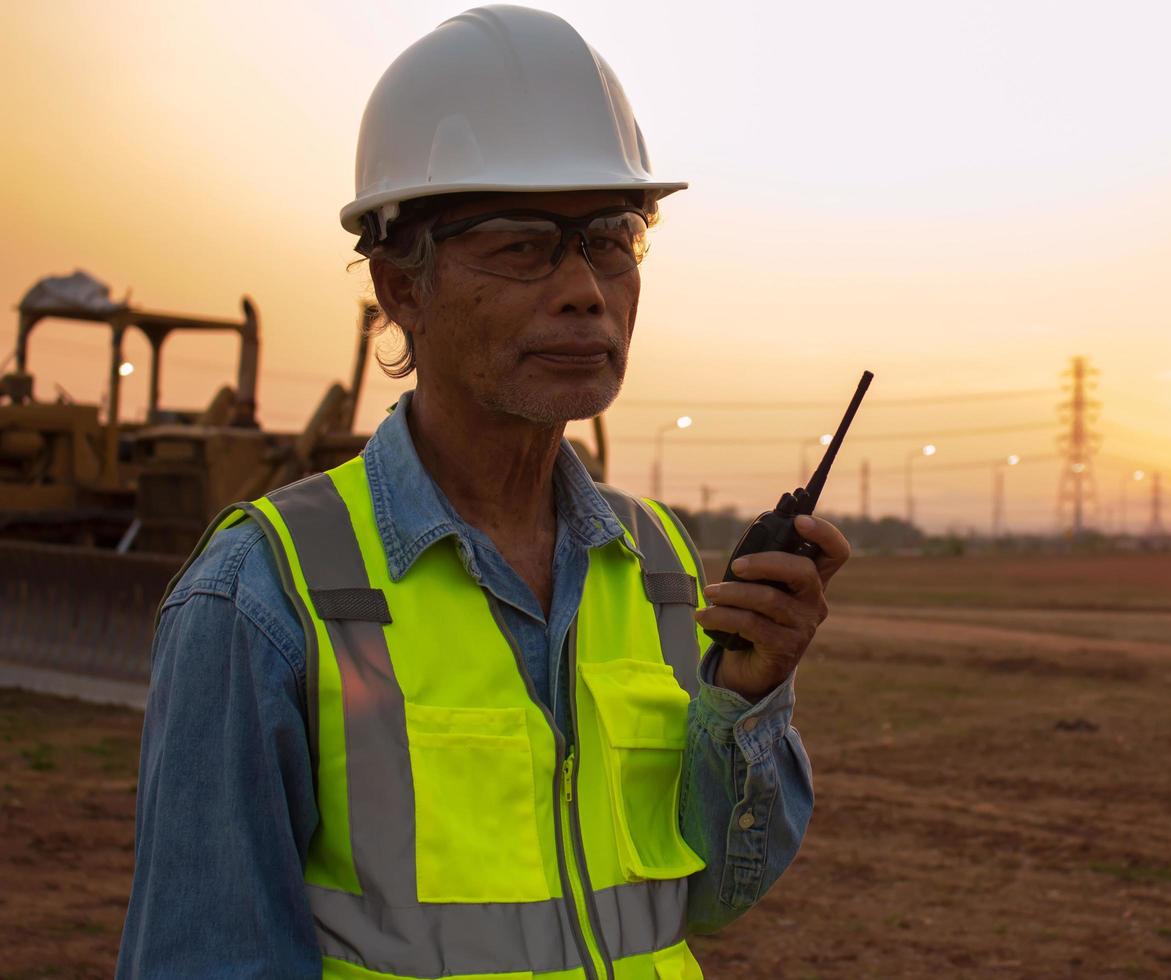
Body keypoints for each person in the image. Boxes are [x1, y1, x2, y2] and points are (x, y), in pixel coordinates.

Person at [117, 7, 844, 978]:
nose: (586, 287)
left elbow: (704, 890)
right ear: (400, 286)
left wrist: (747, 695)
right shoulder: (259, 595)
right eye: (521, 244)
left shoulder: (657, 562)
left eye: (613, 238)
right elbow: (203, 954)